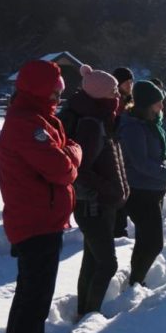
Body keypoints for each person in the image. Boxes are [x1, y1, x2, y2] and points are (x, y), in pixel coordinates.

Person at [0, 60, 82, 333]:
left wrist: (66, 151)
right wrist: (74, 151)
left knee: (32, 295)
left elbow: (60, 159)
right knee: (34, 298)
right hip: (35, 223)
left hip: (44, 220)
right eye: (54, 93)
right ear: (41, 93)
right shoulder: (27, 124)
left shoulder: (40, 120)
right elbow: (62, 170)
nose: (58, 99)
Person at [59, 65, 129, 317]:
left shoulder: (100, 118)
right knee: (107, 264)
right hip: (93, 206)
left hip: (100, 204)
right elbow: (81, 169)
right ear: (102, 96)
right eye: (114, 92)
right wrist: (108, 189)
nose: (118, 96)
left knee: (92, 260)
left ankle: (84, 313)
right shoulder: (91, 123)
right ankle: (90, 314)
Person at [117, 80, 166, 286]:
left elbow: (157, 156)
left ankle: (135, 280)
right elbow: (141, 163)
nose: (161, 106)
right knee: (153, 243)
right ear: (145, 104)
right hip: (140, 191)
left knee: (146, 240)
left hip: (153, 189)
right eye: (157, 103)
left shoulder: (153, 124)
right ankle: (135, 280)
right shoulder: (134, 127)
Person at [112, 66, 134, 237]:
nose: (129, 84)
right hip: (116, 153)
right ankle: (118, 230)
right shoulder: (115, 102)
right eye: (126, 82)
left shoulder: (130, 101)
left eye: (131, 81)